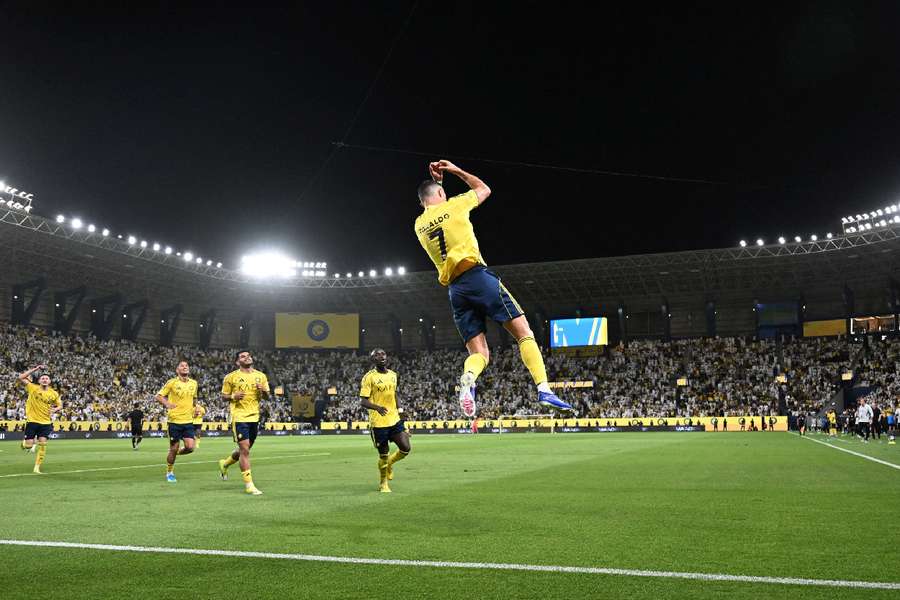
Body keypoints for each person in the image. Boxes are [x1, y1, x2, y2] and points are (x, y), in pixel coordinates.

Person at [413, 160, 573, 417]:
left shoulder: (419, 225)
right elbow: (484, 188)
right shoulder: (455, 205)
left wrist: (438, 183)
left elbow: (435, 210)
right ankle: (544, 389)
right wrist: (456, 171)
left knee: (480, 354)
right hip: (477, 277)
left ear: (422, 202)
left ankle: (468, 377)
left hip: (456, 291)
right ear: (442, 194)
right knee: (524, 333)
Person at [359, 348, 410, 493]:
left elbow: (395, 394)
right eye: (377, 355)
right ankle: (383, 483)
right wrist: (377, 408)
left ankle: (390, 464)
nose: (381, 356)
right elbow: (363, 401)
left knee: (405, 448)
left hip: (394, 419)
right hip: (378, 422)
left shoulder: (393, 375)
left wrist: (400, 410)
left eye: (383, 354)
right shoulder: (369, 377)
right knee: (383, 454)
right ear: (373, 360)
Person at [218, 350, 269, 495]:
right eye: (242, 356)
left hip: (254, 417)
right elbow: (223, 396)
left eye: (248, 355)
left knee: (244, 450)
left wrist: (263, 391)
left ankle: (225, 463)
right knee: (245, 450)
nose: (247, 357)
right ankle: (249, 485)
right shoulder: (231, 377)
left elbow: (267, 396)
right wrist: (233, 396)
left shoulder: (261, 376)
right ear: (237, 362)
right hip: (239, 417)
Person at [155, 360, 198, 483]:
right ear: (177, 370)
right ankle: (169, 472)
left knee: (190, 447)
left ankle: (175, 453)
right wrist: (167, 404)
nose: (185, 367)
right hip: (174, 421)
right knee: (173, 448)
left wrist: (195, 408)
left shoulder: (194, 383)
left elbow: (194, 399)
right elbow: (158, 396)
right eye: (182, 366)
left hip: (188, 421)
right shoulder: (172, 382)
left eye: (186, 365)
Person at [17, 364, 61, 474]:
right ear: (39, 381)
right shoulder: (33, 387)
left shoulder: (54, 393)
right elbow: (21, 377)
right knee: (29, 446)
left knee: (43, 444)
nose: (45, 380)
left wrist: (55, 409)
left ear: (49, 381)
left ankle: (37, 467)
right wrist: (35, 369)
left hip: (46, 422)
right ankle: (24, 444)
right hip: (32, 421)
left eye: (47, 378)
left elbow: (60, 405)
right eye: (43, 378)